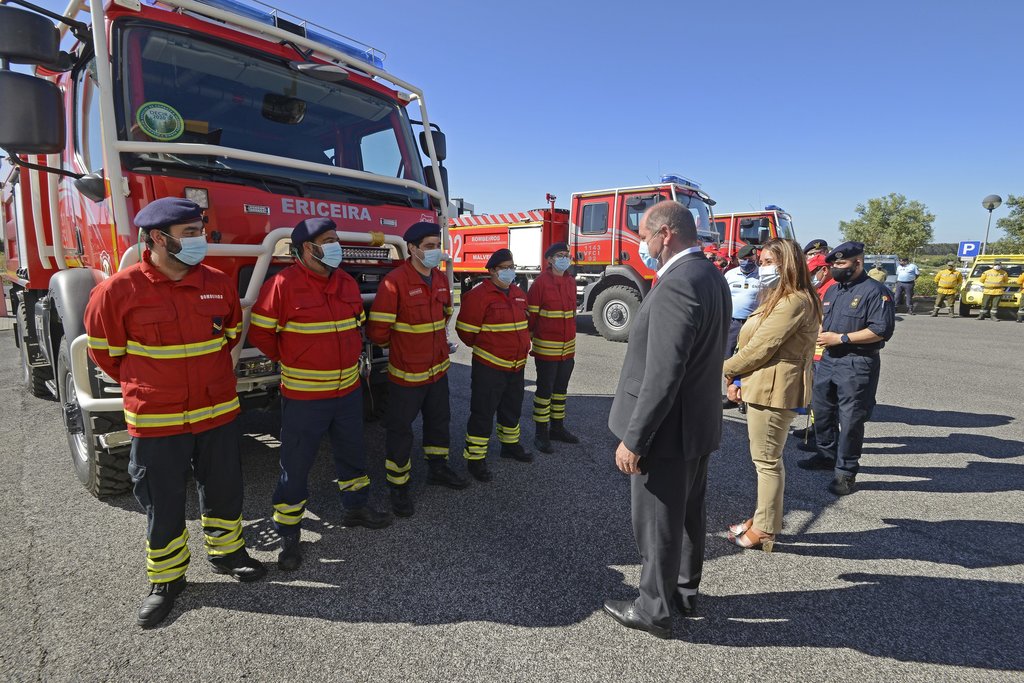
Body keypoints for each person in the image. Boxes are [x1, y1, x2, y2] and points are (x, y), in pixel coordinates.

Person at [84, 197, 265, 629]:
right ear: (157, 239)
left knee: (224, 487)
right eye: (189, 234)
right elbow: (107, 355)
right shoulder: (116, 291)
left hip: (216, 409)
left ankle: (228, 553)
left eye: (200, 231)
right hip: (157, 417)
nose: (200, 240)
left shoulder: (218, 283)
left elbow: (230, 335)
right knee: (161, 499)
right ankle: (166, 579)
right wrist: (154, 386)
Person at [604, 201, 730, 639]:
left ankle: (653, 608)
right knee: (688, 514)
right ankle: (683, 591)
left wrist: (635, 438)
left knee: (657, 520)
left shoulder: (678, 282)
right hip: (695, 423)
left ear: (665, 235)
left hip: (667, 430)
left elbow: (664, 371)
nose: (641, 246)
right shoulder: (710, 274)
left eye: (643, 237)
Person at [249, 218, 392, 572]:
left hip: (347, 393)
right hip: (304, 397)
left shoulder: (344, 281)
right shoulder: (281, 285)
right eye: (328, 241)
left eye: (336, 240)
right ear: (307, 249)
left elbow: (355, 323)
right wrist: (294, 359)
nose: (335, 247)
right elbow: (263, 335)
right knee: (295, 465)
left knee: (352, 453)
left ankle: (356, 507)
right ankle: (289, 532)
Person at [722, 239, 820, 551]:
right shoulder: (781, 297)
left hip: (773, 390)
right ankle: (765, 518)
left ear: (787, 263)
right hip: (763, 385)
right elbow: (751, 344)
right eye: (761, 261)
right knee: (766, 460)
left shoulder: (793, 302)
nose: (762, 267)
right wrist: (737, 378)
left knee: (766, 461)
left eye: (768, 262)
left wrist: (721, 368)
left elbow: (761, 348)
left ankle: (764, 528)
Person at [367, 222, 467, 518]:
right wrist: (406, 350)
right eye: (428, 246)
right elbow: (378, 331)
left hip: (437, 372)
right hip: (407, 374)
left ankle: (437, 469)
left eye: (437, 245)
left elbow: (445, 314)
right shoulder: (394, 282)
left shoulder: (438, 279)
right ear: (411, 249)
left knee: (439, 423)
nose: (435, 251)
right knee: (400, 431)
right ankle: (399, 488)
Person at [797, 241, 896, 496]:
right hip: (828, 360)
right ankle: (826, 455)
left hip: (856, 362)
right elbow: (824, 322)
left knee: (851, 419)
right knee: (822, 410)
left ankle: (846, 473)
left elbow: (880, 330)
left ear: (857, 263)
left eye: (841, 264)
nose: (835, 268)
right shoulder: (834, 291)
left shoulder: (876, 292)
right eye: (833, 264)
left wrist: (841, 338)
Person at [455, 248, 533, 481]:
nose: (510, 271)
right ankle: (475, 459)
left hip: (516, 366)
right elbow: (466, 332)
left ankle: (510, 446)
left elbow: (525, 324)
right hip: (490, 367)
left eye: (512, 267)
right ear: (491, 271)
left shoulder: (518, 293)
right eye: (504, 268)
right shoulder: (478, 296)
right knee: (482, 413)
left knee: (511, 409)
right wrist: (489, 349)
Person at [527, 242, 580, 453]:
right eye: (559, 255)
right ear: (549, 260)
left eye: (566, 255)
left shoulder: (571, 282)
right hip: (547, 350)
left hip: (567, 350)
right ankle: (541, 433)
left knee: (560, 392)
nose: (564, 258)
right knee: (544, 392)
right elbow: (532, 317)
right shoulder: (540, 283)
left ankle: (557, 428)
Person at [792, 252, 837, 450]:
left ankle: (822, 438)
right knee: (815, 395)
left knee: (823, 398)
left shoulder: (832, 289)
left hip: (823, 350)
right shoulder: (821, 287)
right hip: (814, 348)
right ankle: (816, 429)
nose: (810, 276)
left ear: (824, 270)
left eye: (813, 272)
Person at [722, 244, 762, 409]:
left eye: (749, 259)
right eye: (742, 259)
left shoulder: (763, 275)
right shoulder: (730, 274)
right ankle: (732, 394)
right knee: (730, 360)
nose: (746, 262)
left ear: (755, 259)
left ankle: (746, 396)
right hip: (732, 323)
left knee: (749, 359)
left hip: (753, 324)